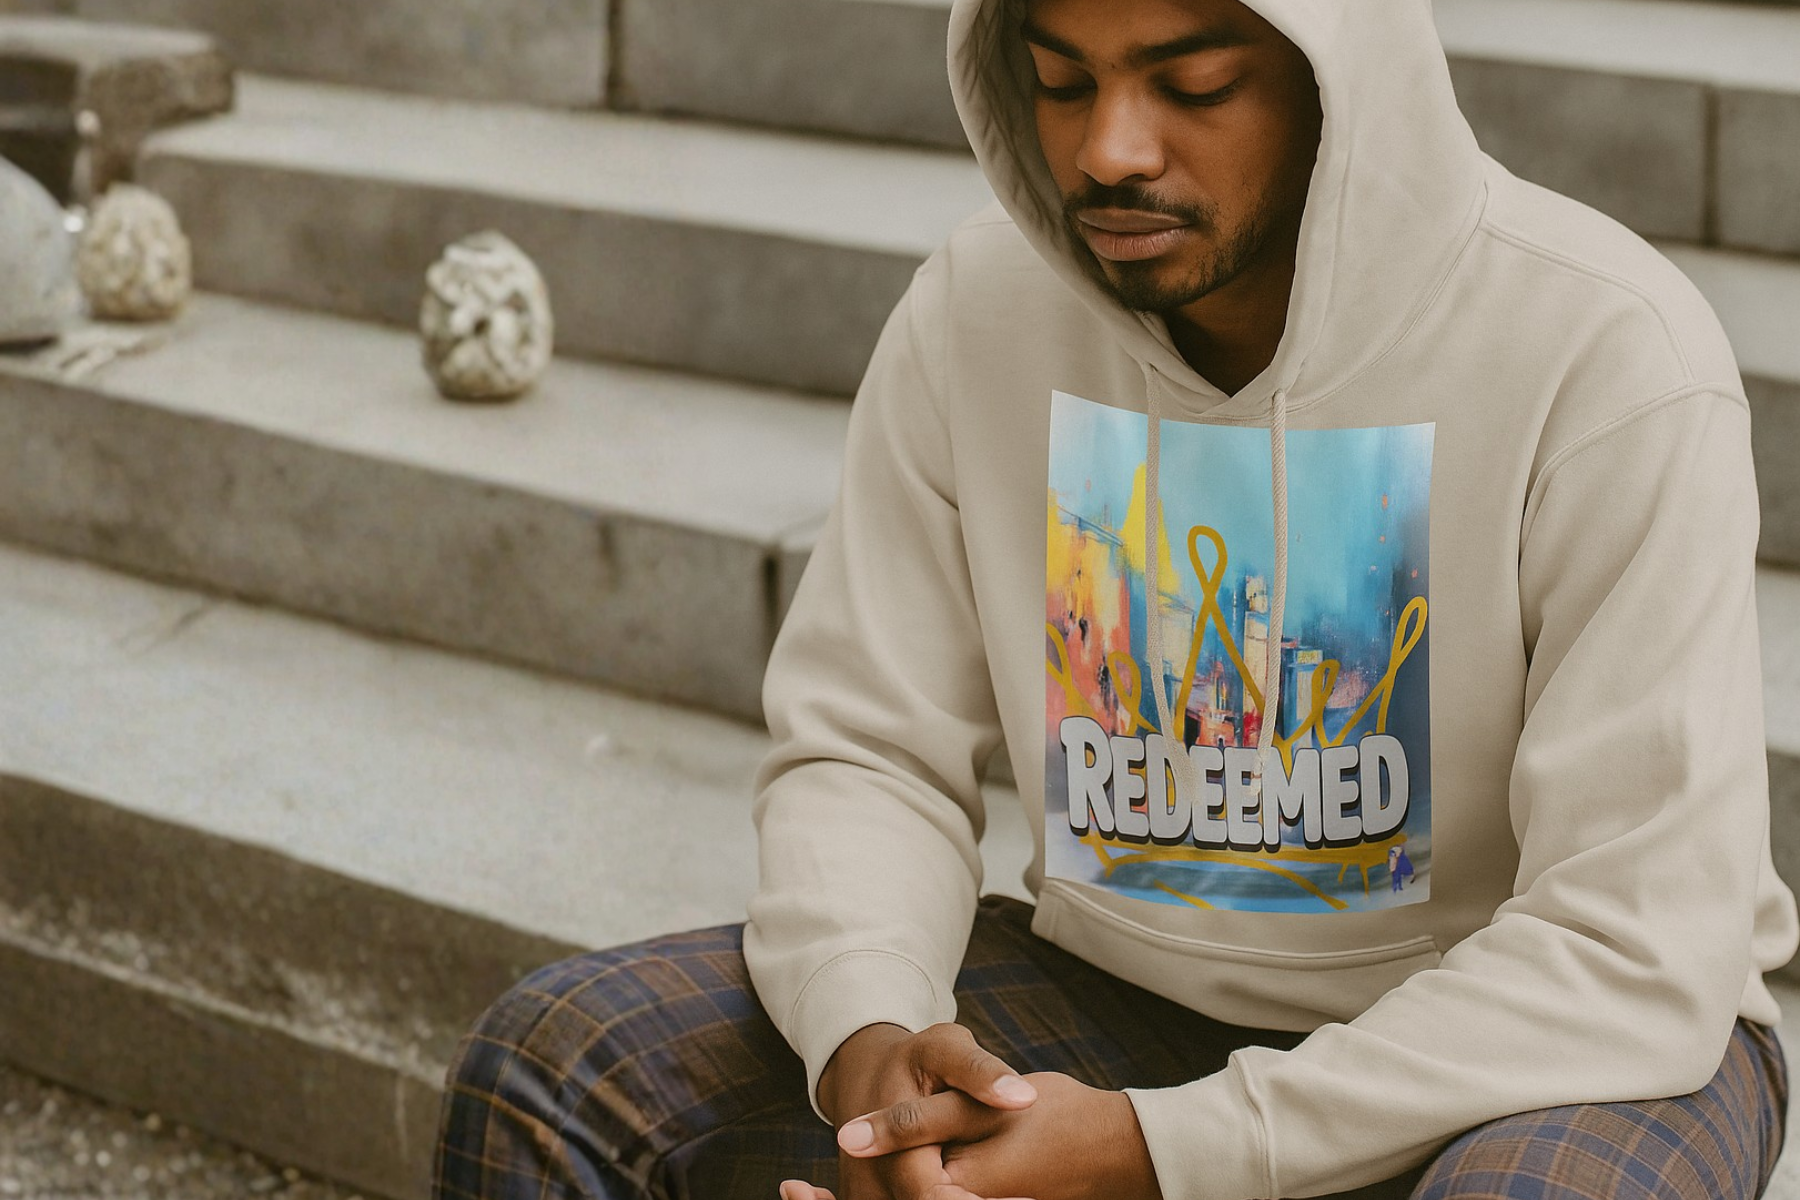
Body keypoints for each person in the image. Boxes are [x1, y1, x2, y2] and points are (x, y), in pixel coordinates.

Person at [430, 0, 1799, 1196]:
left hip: (1548, 1050)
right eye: (1061, 79)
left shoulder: (1608, 355)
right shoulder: (977, 312)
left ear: (1343, 78)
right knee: (558, 1068)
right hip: (1135, 998)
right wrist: (872, 1048)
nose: (1109, 150)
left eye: (1193, 85)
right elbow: (868, 749)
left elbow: (1628, 942)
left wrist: (1160, 1154)